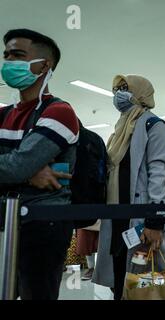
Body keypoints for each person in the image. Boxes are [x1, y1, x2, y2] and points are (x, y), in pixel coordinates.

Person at [0, 29, 78, 300]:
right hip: (6, 221)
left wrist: (19, 171)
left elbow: (15, 167)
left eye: (18, 55)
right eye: (6, 55)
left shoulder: (60, 112)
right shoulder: (4, 114)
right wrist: (27, 175)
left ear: (45, 65)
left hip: (44, 226)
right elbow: (17, 168)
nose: (8, 61)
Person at [92, 75, 165, 300]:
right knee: (121, 275)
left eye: (124, 88)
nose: (119, 94)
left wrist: (154, 220)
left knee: (146, 282)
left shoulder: (154, 125)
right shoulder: (120, 129)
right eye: (116, 89)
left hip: (144, 218)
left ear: (141, 93)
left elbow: (159, 174)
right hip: (119, 217)